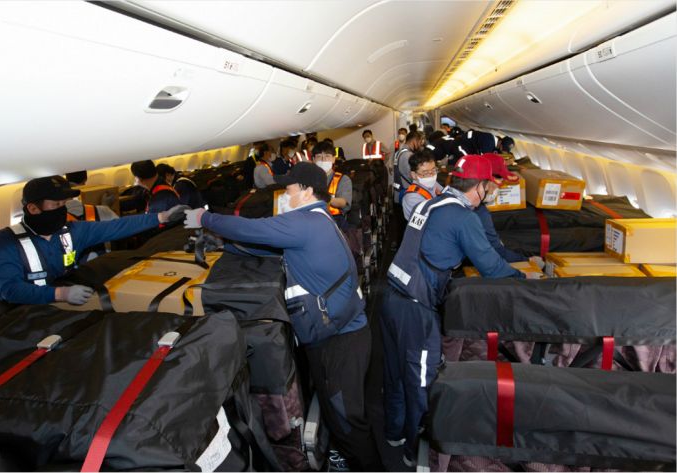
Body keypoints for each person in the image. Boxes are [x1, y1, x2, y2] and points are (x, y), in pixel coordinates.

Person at [183, 162, 382, 472]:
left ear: (306, 190)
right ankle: (347, 454)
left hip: (341, 342)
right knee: (335, 410)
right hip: (334, 333)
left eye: (289, 189)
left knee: (348, 417)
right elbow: (270, 248)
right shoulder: (319, 220)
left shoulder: (305, 222)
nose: (285, 195)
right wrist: (224, 245)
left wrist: (204, 218)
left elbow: (253, 229)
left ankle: (369, 466)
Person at [381, 155, 535, 467]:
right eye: (488, 188)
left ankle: (394, 433)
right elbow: (491, 267)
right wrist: (527, 280)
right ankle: (413, 453)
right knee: (421, 381)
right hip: (415, 307)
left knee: (395, 373)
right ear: (480, 187)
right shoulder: (464, 217)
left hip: (391, 295)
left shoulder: (432, 203)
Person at [0, 175, 187, 305]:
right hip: (21, 312)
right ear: (33, 208)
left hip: (58, 309)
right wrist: (61, 294)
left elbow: (116, 227)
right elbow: (10, 290)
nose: (62, 210)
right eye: (56, 205)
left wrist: (162, 217)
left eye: (64, 204)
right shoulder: (4, 241)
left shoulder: (71, 231)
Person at [312, 141, 353, 229]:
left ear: (334, 159)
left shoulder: (343, 179)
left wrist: (327, 198)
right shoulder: (308, 178)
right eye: (319, 156)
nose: (323, 160)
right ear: (313, 159)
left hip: (334, 221)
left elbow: (343, 202)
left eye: (327, 156)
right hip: (311, 219)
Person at [401, 150, 442, 220]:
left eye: (434, 170)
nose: (431, 175)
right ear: (414, 175)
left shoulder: (433, 182)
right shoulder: (412, 198)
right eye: (425, 173)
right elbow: (430, 220)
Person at [393, 130, 423, 204]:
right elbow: (411, 176)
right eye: (419, 142)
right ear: (414, 141)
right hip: (407, 194)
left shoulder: (399, 152)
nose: (420, 146)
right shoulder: (408, 155)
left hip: (399, 192)